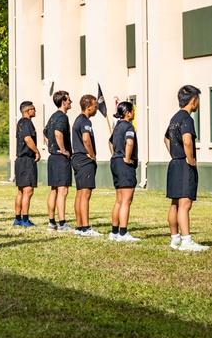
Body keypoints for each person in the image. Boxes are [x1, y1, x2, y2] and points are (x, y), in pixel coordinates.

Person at [165, 85, 209, 251]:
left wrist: (174, 154)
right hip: (184, 164)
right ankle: (186, 240)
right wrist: (190, 159)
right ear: (193, 100)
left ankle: (175, 238)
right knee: (185, 204)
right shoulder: (187, 119)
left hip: (174, 163)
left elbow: (166, 139)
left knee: (175, 203)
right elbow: (187, 140)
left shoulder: (174, 118)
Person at [108, 101, 141, 243]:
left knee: (119, 200)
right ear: (127, 113)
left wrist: (115, 154)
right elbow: (130, 142)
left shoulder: (117, 127)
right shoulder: (128, 126)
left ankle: (114, 232)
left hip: (115, 162)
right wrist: (127, 158)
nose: (134, 113)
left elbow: (109, 142)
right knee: (126, 200)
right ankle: (123, 233)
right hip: (123, 164)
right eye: (132, 111)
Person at [72, 95, 102, 237]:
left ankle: (79, 227)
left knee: (80, 194)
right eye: (95, 106)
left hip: (77, 159)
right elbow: (86, 139)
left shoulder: (78, 120)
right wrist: (92, 155)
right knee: (85, 194)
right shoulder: (85, 121)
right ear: (88, 106)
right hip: (84, 159)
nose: (96, 108)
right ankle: (85, 227)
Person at [45, 91, 74, 232]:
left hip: (52, 157)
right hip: (60, 158)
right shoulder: (62, 117)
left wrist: (51, 147)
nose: (71, 102)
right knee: (63, 191)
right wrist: (62, 149)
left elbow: (45, 133)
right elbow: (57, 133)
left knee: (54, 190)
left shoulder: (52, 116)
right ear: (63, 102)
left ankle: (52, 222)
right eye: (69, 100)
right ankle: (62, 223)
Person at [13, 101, 39, 227]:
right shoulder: (27, 123)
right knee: (28, 191)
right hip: (26, 160)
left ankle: (17, 218)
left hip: (19, 160)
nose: (35, 111)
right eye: (33, 109)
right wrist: (36, 151)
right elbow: (27, 139)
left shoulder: (20, 123)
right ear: (27, 111)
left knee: (21, 191)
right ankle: (25, 219)